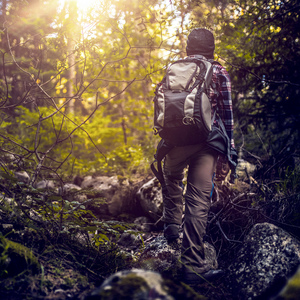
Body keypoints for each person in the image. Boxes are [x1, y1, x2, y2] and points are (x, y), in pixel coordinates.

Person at [162, 28, 235, 284]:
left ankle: (171, 226)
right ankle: (192, 268)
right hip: (206, 143)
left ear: (187, 48)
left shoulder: (173, 67)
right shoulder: (218, 71)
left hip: (175, 143)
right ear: (212, 49)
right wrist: (230, 151)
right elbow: (227, 117)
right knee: (198, 202)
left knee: (170, 176)